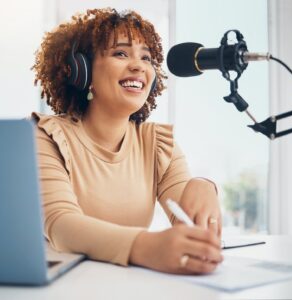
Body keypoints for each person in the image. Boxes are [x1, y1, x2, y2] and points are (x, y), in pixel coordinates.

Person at [31, 8, 223, 275]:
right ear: (80, 70)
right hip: (62, 286)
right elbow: (61, 226)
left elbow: (186, 217)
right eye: (120, 53)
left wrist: (203, 187)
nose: (139, 66)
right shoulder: (46, 135)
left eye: (146, 57)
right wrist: (145, 247)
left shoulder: (157, 143)